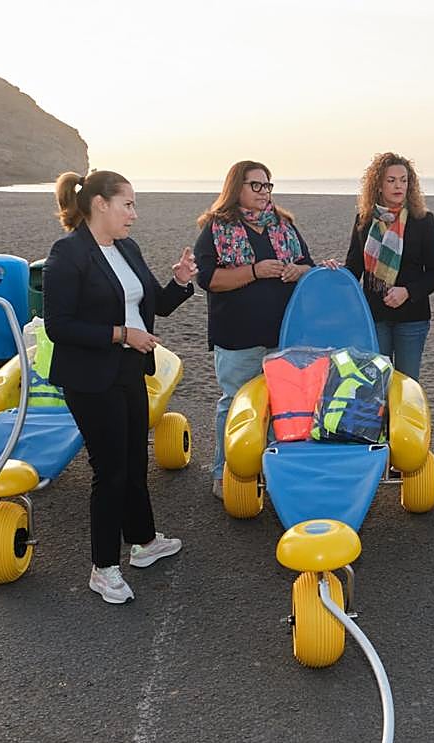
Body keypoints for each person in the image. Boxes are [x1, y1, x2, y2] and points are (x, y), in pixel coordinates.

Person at [43, 170, 196, 604]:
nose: (134, 213)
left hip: (129, 371)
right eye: (127, 204)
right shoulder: (68, 254)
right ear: (99, 205)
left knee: (133, 460)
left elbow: (155, 306)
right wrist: (121, 334)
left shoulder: (127, 248)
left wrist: (181, 282)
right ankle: (104, 567)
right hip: (90, 379)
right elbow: (59, 326)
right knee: (109, 471)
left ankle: (144, 542)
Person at [194, 161, 315, 499]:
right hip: (237, 336)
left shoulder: (284, 225)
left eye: (267, 186)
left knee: (283, 406)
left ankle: (275, 470)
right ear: (237, 188)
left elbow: (310, 265)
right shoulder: (216, 229)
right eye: (256, 185)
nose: (264, 192)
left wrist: (297, 271)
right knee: (235, 404)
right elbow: (210, 280)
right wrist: (255, 271)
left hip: (285, 334)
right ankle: (224, 472)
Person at [341, 152, 434, 380]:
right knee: (376, 384)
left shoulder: (423, 220)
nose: (399, 186)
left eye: (403, 180)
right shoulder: (364, 220)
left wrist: (407, 291)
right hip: (375, 316)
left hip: (412, 318)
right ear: (378, 185)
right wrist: (334, 272)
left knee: (406, 384)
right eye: (391, 180)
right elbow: (353, 268)